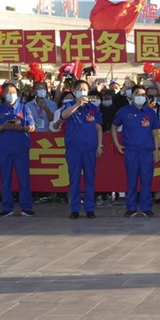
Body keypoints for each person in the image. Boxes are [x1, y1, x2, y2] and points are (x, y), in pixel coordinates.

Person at [112, 85, 160, 217]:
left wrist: (157, 150)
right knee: (131, 180)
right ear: (132, 95)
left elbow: (155, 132)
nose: (140, 96)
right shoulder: (124, 111)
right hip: (131, 151)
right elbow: (114, 127)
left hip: (147, 151)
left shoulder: (150, 112)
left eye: (143, 94)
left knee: (146, 180)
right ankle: (131, 207)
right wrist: (117, 144)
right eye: (137, 94)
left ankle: (146, 207)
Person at [0, 82, 36, 217]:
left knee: (24, 179)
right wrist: (3, 126)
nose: (11, 95)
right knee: (5, 179)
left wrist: (21, 128)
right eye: (8, 93)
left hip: (21, 148)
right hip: (4, 149)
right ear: (3, 94)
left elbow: (32, 127)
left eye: (13, 92)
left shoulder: (24, 108)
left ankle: (26, 206)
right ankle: (7, 207)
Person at [60, 80, 103, 219]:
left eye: (84, 89)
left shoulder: (93, 108)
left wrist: (100, 145)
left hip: (90, 149)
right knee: (74, 179)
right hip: (74, 149)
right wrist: (78, 104)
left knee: (90, 179)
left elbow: (98, 127)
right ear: (74, 91)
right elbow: (63, 116)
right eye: (79, 89)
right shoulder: (68, 105)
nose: (82, 91)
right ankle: (75, 209)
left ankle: (90, 208)